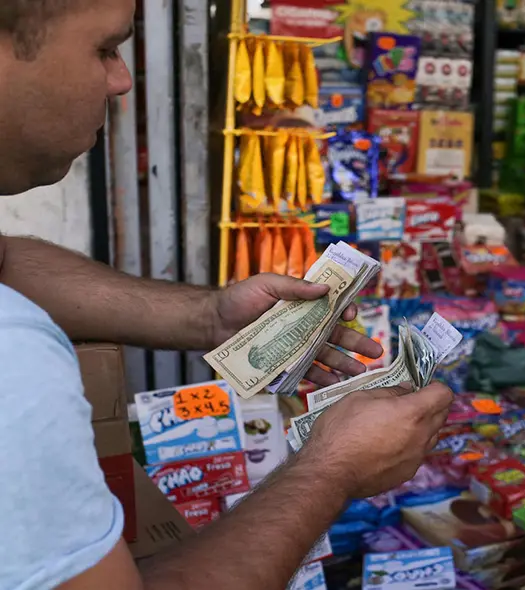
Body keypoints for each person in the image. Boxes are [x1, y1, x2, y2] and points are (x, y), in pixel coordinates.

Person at [0, 1, 453, 589]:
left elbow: (6, 259)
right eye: (105, 49)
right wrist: (332, 469)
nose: (122, 81)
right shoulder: (15, 359)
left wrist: (208, 316)